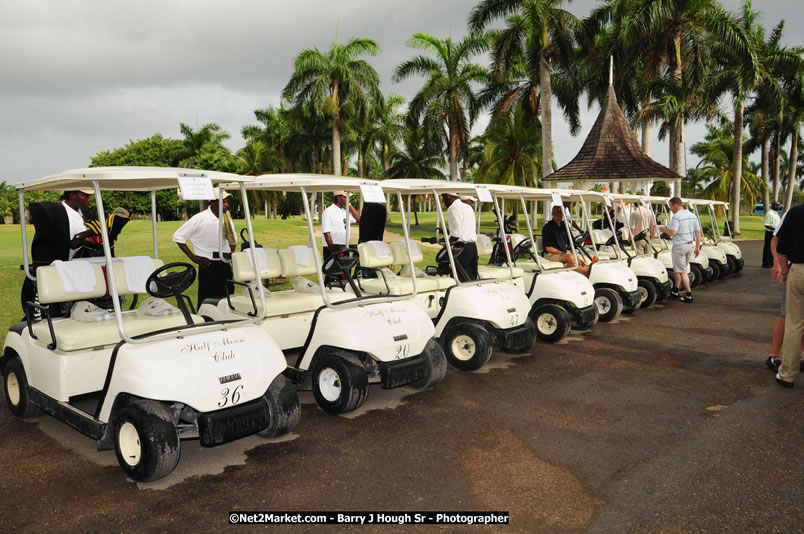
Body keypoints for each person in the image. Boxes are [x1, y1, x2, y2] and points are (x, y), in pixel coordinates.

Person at [22, 190, 96, 315]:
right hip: (62, 265)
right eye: (85, 195)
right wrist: (89, 233)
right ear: (72, 195)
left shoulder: (77, 213)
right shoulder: (63, 213)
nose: (89, 199)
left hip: (78, 264)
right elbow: (72, 243)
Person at [173, 189, 236, 308]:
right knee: (208, 300)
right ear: (212, 202)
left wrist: (231, 252)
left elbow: (232, 238)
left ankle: (226, 322)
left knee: (227, 299)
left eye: (227, 202)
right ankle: (207, 321)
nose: (227, 205)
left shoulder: (226, 218)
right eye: (223, 202)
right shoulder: (200, 218)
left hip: (225, 263)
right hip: (208, 264)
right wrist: (193, 257)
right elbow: (178, 236)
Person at [766, 212, 804, 373]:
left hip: (796, 271)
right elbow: (776, 239)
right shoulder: (792, 213)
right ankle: (774, 355)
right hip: (793, 268)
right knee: (788, 316)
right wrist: (778, 263)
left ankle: (797, 360)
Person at [659, 197, 702, 303]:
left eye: (670, 206)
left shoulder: (676, 217)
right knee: (678, 269)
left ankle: (688, 294)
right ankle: (675, 290)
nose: (670, 209)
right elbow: (698, 232)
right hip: (689, 246)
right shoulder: (692, 215)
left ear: (676, 205)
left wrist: (664, 230)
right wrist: (697, 247)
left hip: (679, 246)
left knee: (682, 271)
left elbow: (673, 232)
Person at [541, 204, 588, 276]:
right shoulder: (548, 227)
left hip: (563, 253)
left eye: (561, 214)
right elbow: (548, 248)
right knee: (571, 258)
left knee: (584, 262)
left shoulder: (565, 226)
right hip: (551, 255)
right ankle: (566, 276)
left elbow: (571, 243)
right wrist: (564, 254)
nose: (559, 216)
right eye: (557, 214)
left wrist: (577, 257)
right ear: (553, 214)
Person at [442, 193, 478, 282]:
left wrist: (446, 245)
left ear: (448, 197)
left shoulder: (452, 208)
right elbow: (463, 228)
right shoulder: (468, 207)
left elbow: (456, 235)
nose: (443, 202)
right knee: (471, 279)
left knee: (459, 279)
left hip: (462, 249)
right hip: (473, 248)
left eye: (443, 198)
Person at [321, 191, 360, 260]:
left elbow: (359, 219)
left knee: (346, 270)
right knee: (334, 270)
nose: (347, 199)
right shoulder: (328, 211)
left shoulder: (345, 211)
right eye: (345, 197)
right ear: (338, 197)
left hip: (344, 247)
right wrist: (332, 250)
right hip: (332, 248)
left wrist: (349, 205)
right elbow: (326, 233)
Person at [762, 201, 781, 268]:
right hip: (770, 233)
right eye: (777, 205)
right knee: (768, 248)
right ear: (773, 205)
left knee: (772, 248)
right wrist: (776, 229)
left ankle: (770, 262)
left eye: (779, 205)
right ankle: (766, 263)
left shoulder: (776, 214)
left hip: (775, 233)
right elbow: (767, 224)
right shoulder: (770, 213)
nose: (778, 206)